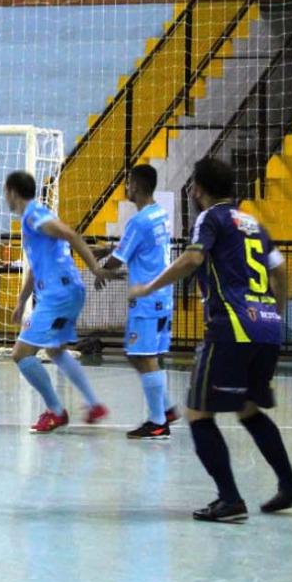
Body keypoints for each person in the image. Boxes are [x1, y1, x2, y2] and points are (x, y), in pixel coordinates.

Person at [130, 157, 292, 523]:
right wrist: (275, 313)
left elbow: (192, 259)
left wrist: (149, 286)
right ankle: (290, 484)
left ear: (197, 189)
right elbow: (279, 269)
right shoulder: (253, 223)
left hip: (232, 327)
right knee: (246, 407)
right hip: (266, 328)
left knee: (198, 411)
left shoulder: (210, 218)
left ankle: (229, 499)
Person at [4, 170, 111, 434]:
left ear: (13, 192)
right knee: (55, 350)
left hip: (57, 295)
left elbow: (71, 235)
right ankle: (93, 403)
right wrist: (22, 301)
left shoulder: (33, 215)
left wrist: (95, 267)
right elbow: (36, 267)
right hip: (70, 291)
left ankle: (56, 411)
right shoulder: (36, 216)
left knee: (21, 354)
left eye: (5, 192)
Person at [98, 164, 180, 439]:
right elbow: (138, 248)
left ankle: (158, 421)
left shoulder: (140, 220)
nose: (127, 189)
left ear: (136, 185)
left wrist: (100, 269)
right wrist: (109, 250)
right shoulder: (159, 215)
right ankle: (166, 408)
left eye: (129, 183)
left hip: (146, 298)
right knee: (140, 355)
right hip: (162, 296)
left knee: (143, 356)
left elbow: (116, 261)